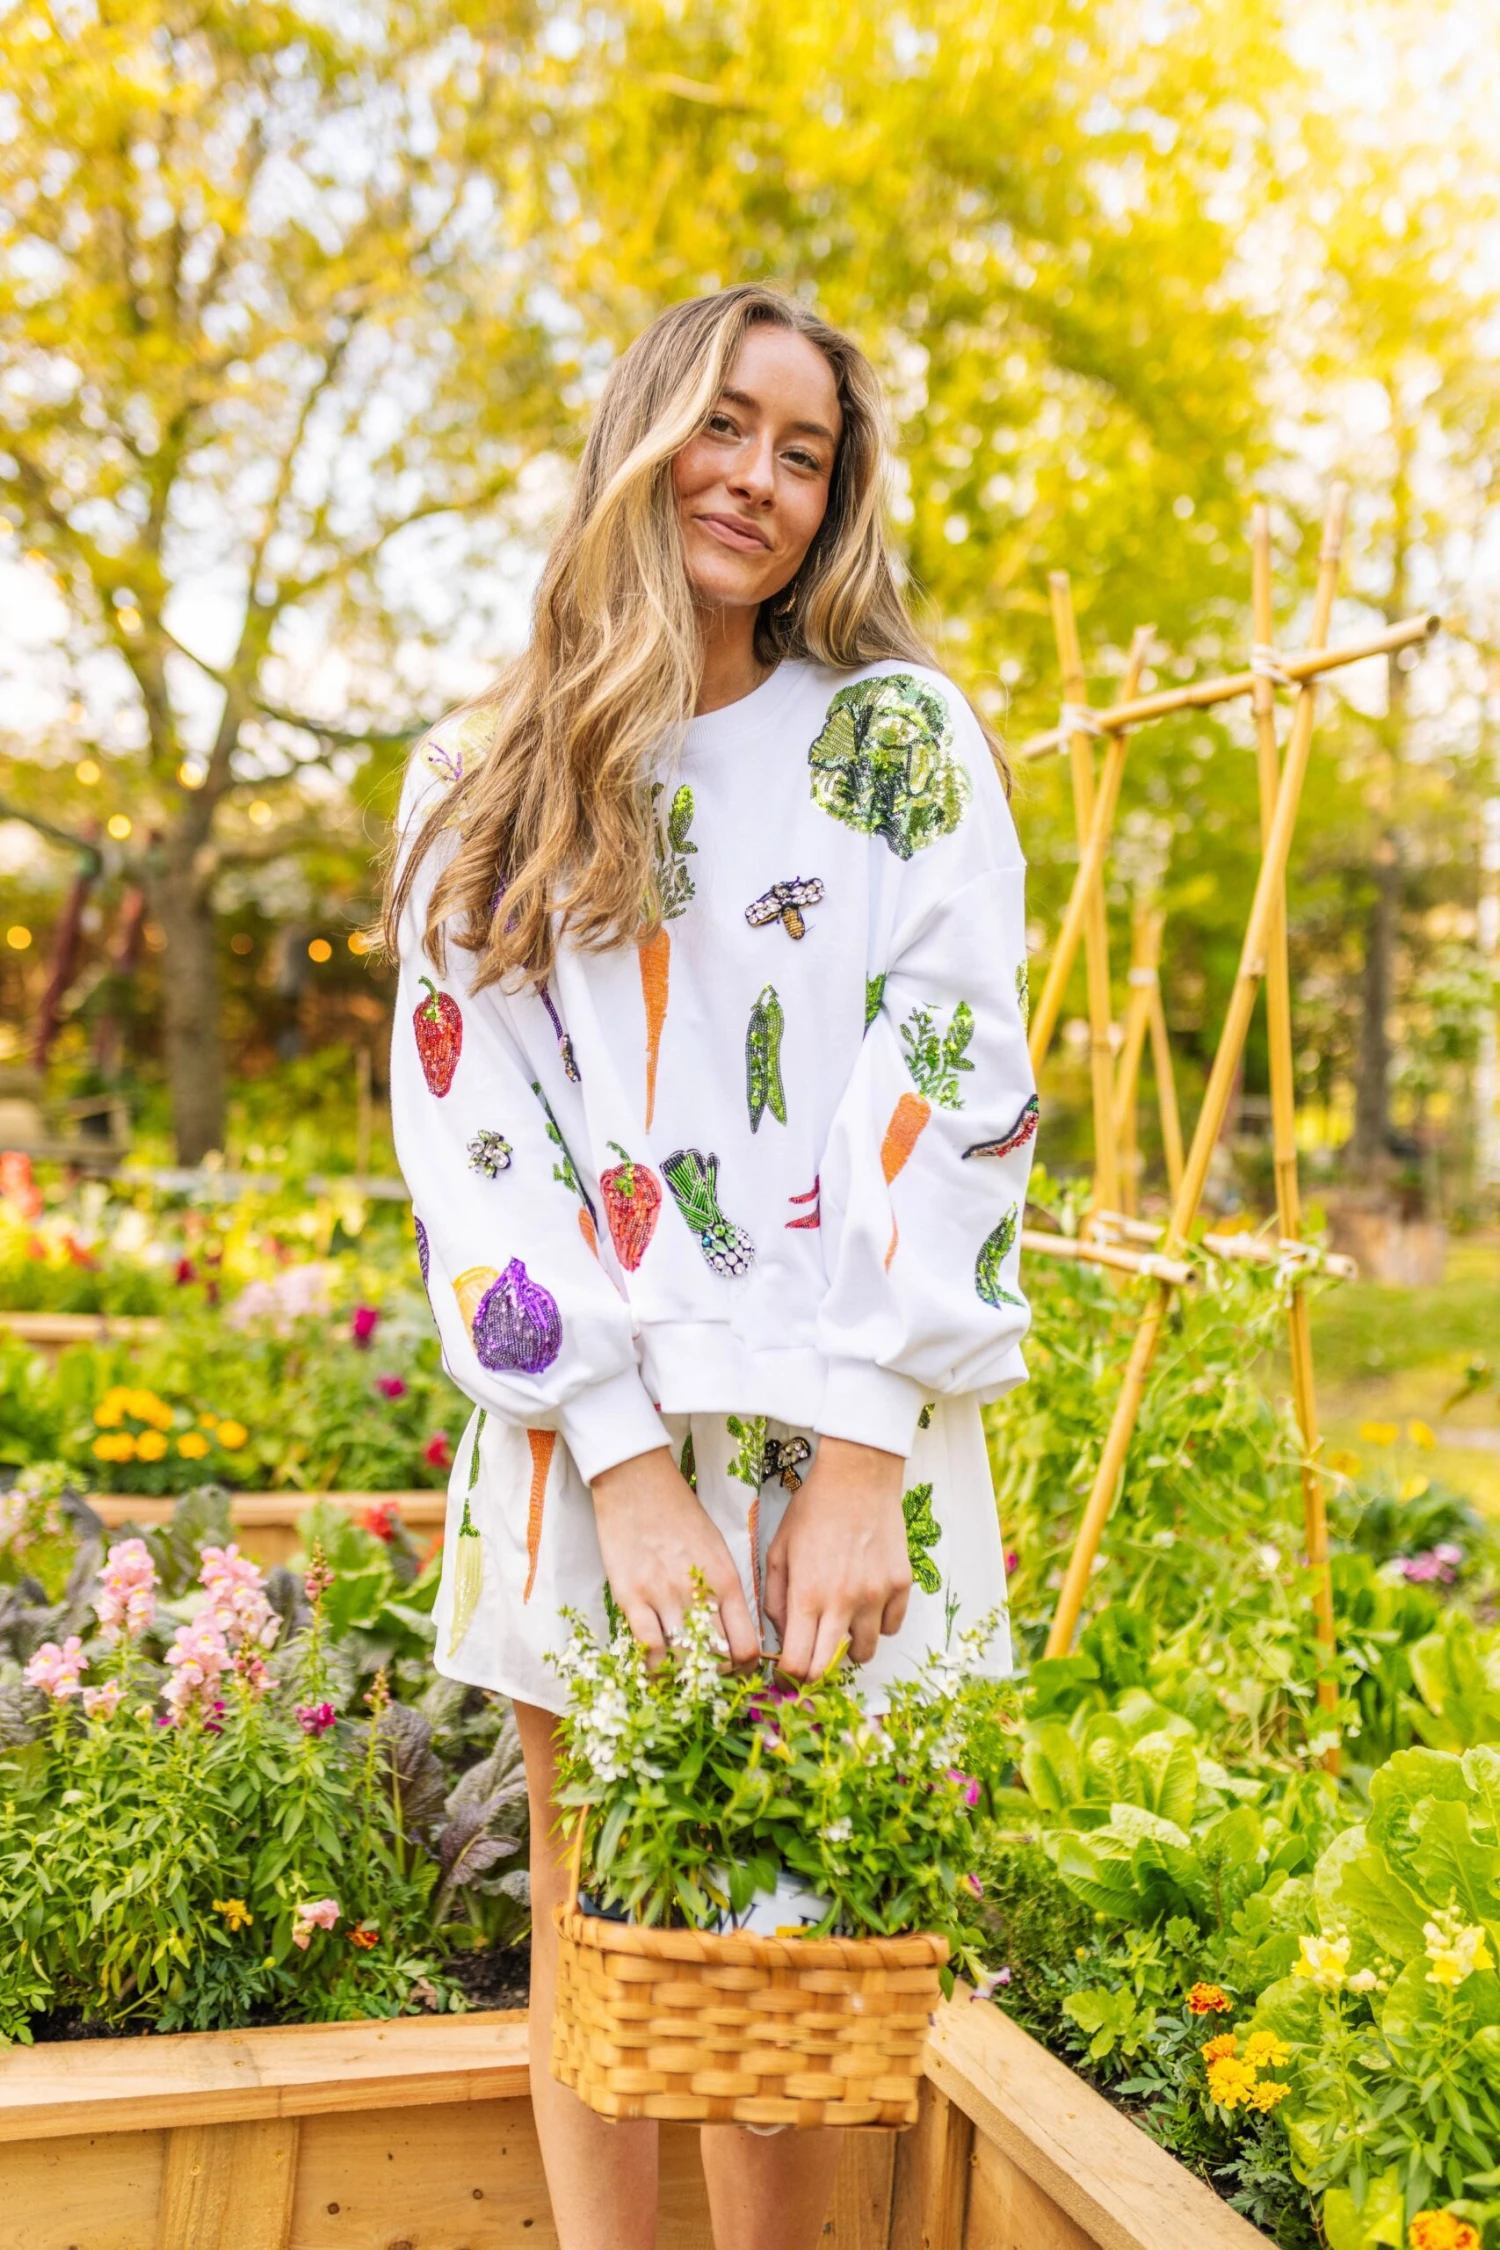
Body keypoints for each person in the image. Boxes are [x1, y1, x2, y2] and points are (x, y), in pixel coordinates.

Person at [385, 284, 1037, 2250]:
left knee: (792, 1944)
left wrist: (860, 1457)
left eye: (807, 450)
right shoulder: (483, 770)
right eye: (728, 424)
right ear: (645, 430)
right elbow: (473, 1132)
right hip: (591, 1446)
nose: (758, 475)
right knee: (598, 1935)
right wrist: (622, 1458)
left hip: (846, 1434)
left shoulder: (891, 744)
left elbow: (955, 1061)